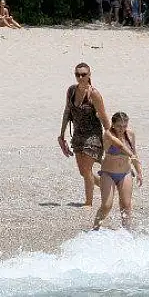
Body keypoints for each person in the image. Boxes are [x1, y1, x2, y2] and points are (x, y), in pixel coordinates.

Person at [58, 63, 109, 206]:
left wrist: (112, 138)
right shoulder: (71, 91)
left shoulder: (94, 94)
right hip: (78, 134)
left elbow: (104, 118)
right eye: (77, 74)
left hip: (93, 136)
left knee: (87, 170)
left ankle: (88, 203)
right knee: (83, 172)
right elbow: (67, 111)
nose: (80, 77)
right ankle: (109, 186)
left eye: (83, 74)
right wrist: (61, 135)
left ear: (89, 75)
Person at [93, 112, 143, 230]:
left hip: (125, 172)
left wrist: (139, 171)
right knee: (106, 205)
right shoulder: (108, 134)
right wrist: (131, 155)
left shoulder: (130, 134)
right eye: (119, 126)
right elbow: (120, 146)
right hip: (108, 173)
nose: (122, 129)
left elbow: (134, 153)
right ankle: (95, 228)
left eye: (125, 126)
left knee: (126, 205)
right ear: (113, 124)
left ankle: (127, 231)